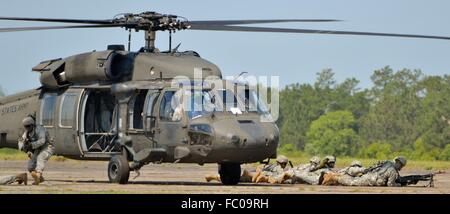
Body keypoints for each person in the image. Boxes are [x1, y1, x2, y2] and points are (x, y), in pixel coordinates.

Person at [322, 156, 407, 187]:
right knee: (352, 182)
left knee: (353, 180)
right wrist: (400, 185)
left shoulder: (388, 163)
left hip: (370, 175)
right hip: (371, 180)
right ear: (400, 163)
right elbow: (390, 184)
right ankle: (332, 177)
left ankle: (334, 177)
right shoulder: (392, 171)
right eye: (402, 166)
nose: (401, 167)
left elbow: (375, 166)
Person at [18, 116, 55, 185]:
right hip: (37, 149)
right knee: (30, 166)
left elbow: (42, 141)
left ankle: (38, 175)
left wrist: (31, 145)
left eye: (28, 126)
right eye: (25, 126)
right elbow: (21, 141)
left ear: (32, 125)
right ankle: (40, 179)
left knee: (40, 157)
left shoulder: (39, 129)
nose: (27, 128)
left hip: (47, 146)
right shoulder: (27, 133)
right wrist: (24, 148)